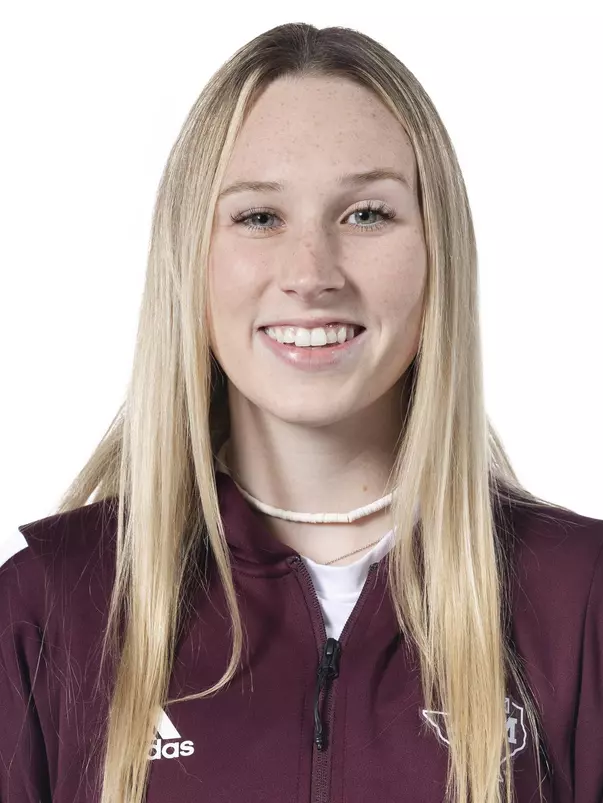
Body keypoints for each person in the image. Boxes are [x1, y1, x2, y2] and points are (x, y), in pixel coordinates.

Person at [1, 21, 601, 803]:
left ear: (436, 253)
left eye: (366, 214)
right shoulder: (51, 611)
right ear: (191, 257)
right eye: (258, 217)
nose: (310, 272)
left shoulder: (578, 600)